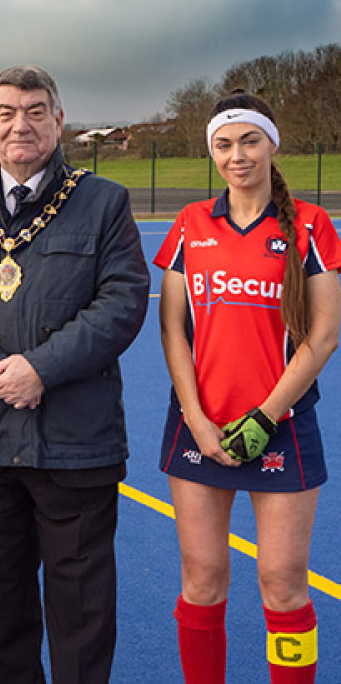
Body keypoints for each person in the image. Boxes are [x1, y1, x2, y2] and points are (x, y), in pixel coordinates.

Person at [0, 65, 150, 683]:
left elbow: (122, 302)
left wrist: (41, 369)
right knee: (0, 601)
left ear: (59, 121)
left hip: (75, 442)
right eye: (8, 112)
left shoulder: (104, 202)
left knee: (83, 612)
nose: (22, 124)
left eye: (37, 111)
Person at [155, 91, 340, 684]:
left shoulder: (311, 226)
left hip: (280, 427)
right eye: (224, 144)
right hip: (199, 428)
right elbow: (173, 332)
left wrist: (264, 416)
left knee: (283, 585)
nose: (238, 156)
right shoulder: (192, 224)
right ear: (213, 152)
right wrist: (196, 416)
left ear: (271, 144)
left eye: (249, 140)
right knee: (202, 580)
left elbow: (324, 336)